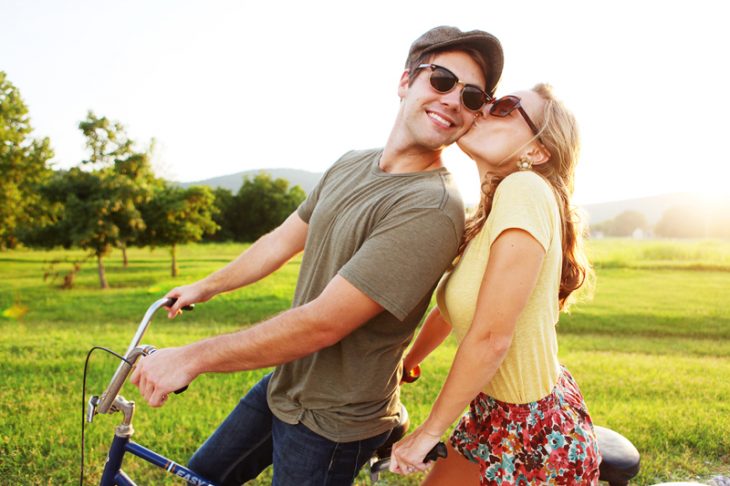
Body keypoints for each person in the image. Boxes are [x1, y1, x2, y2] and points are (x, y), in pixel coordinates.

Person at [130, 26, 504, 485]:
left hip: (334, 421)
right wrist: (207, 286)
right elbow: (282, 240)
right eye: (442, 80)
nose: (452, 100)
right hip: (284, 384)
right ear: (406, 82)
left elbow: (325, 322)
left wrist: (191, 358)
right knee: (203, 475)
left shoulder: (430, 207)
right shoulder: (350, 163)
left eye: (472, 97)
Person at [388, 84, 601, 485]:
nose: (483, 109)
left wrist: (430, 431)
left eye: (505, 107)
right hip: (492, 409)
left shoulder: (525, 190)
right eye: (487, 101)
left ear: (537, 152)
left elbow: (491, 337)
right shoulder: (493, 210)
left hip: (535, 431)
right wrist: (409, 362)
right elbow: (453, 309)